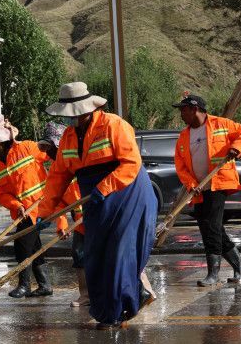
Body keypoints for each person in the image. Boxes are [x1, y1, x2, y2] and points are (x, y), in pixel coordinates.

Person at [39, 82, 158, 329]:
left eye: (74, 113)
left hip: (127, 193)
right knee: (96, 255)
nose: (71, 118)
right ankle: (111, 307)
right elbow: (58, 177)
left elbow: (130, 163)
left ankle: (116, 313)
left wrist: (103, 188)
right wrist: (45, 212)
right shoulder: (69, 138)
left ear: (88, 109)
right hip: (94, 198)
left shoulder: (114, 125)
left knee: (118, 252)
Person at [0, 113, 67, 298]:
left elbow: (55, 155)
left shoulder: (27, 148)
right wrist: (15, 204)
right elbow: (0, 194)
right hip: (22, 212)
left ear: (3, 139)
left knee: (22, 245)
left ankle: (24, 285)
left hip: (42, 207)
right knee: (33, 246)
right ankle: (44, 285)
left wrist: (57, 181)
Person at [172, 94, 241, 286]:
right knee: (208, 226)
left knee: (212, 226)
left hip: (218, 183)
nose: (181, 114)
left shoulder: (221, 124)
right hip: (199, 189)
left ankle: (213, 274)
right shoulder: (184, 136)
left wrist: (236, 147)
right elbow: (180, 165)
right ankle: (239, 264)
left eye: (184, 110)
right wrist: (191, 184)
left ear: (195, 109)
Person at [38, 122, 89, 308]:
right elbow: (59, 202)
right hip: (80, 223)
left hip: (96, 217)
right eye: (46, 148)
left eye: (51, 148)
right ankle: (86, 295)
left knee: (106, 254)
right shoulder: (55, 169)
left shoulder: (78, 161)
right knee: (79, 254)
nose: (48, 153)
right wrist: (61, 224)